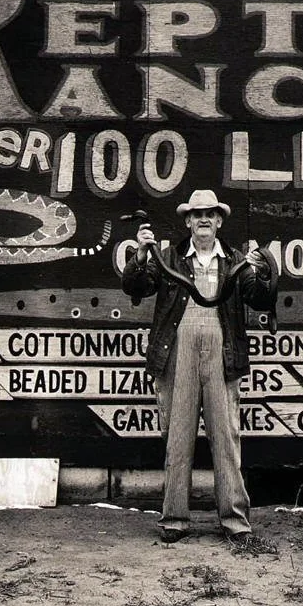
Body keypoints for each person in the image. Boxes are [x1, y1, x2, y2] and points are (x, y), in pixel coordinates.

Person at [121, 189, 274, 545]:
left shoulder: (236, 260)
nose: (203, 219)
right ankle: (174, 518)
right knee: (178, 437)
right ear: (187, 220)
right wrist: (142, 254)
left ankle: (235, 521)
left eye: (210, 214)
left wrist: (265, 272)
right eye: (197, 214)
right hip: (179, 352)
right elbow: (135, 286)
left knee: (226, 438)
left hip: (222, 352)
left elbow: (260, 297)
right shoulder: (169, 258)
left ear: (219, 220)